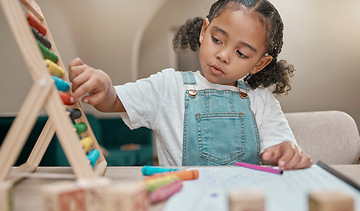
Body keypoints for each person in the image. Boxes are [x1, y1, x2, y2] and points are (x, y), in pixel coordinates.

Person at [69, 0, 312, 169]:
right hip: (182, 206)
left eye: (241, 53)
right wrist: (104, 88)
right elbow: (112, 102)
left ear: (259, 63)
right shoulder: (168, 86)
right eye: (217, 39)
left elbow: (279, 150)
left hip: (243, 208)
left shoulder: (262, 102)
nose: (224, 55)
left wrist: (286, 154)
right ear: (204, 32)